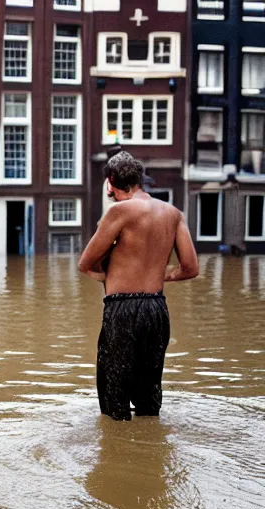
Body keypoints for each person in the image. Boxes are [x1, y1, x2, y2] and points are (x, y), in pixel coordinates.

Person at [78, 150, 199, 421]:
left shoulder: (118, 211)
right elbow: (190, 268)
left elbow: (85, 263)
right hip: (157, 310)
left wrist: (107, 278)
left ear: (111, 182)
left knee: (114, 398)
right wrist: (159, 274)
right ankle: (150, 454)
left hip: (121, 310)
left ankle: (117, 457)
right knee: (149, 396)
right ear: (140, 179)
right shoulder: (173, 214)